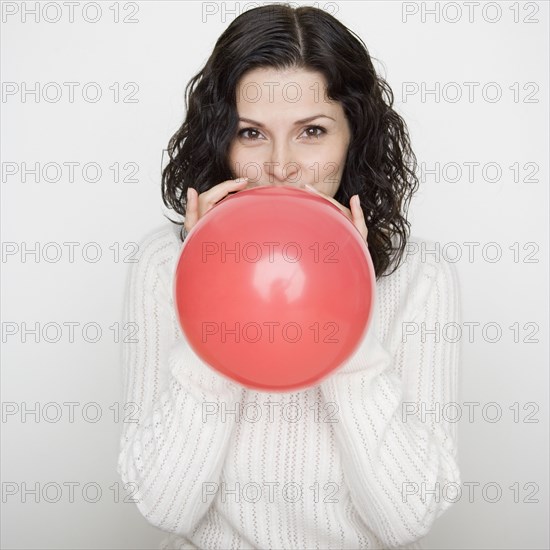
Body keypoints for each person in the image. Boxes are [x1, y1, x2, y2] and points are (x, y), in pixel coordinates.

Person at [117, 4, 461, 549]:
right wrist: (212, 299)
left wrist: (348, 320)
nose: (281, 165)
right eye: (252, 133)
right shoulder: (166, 266)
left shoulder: (419, 277)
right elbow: (165, 506)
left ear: (354, 140)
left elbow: (407, 518)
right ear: (222, 142)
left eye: (312, 132)